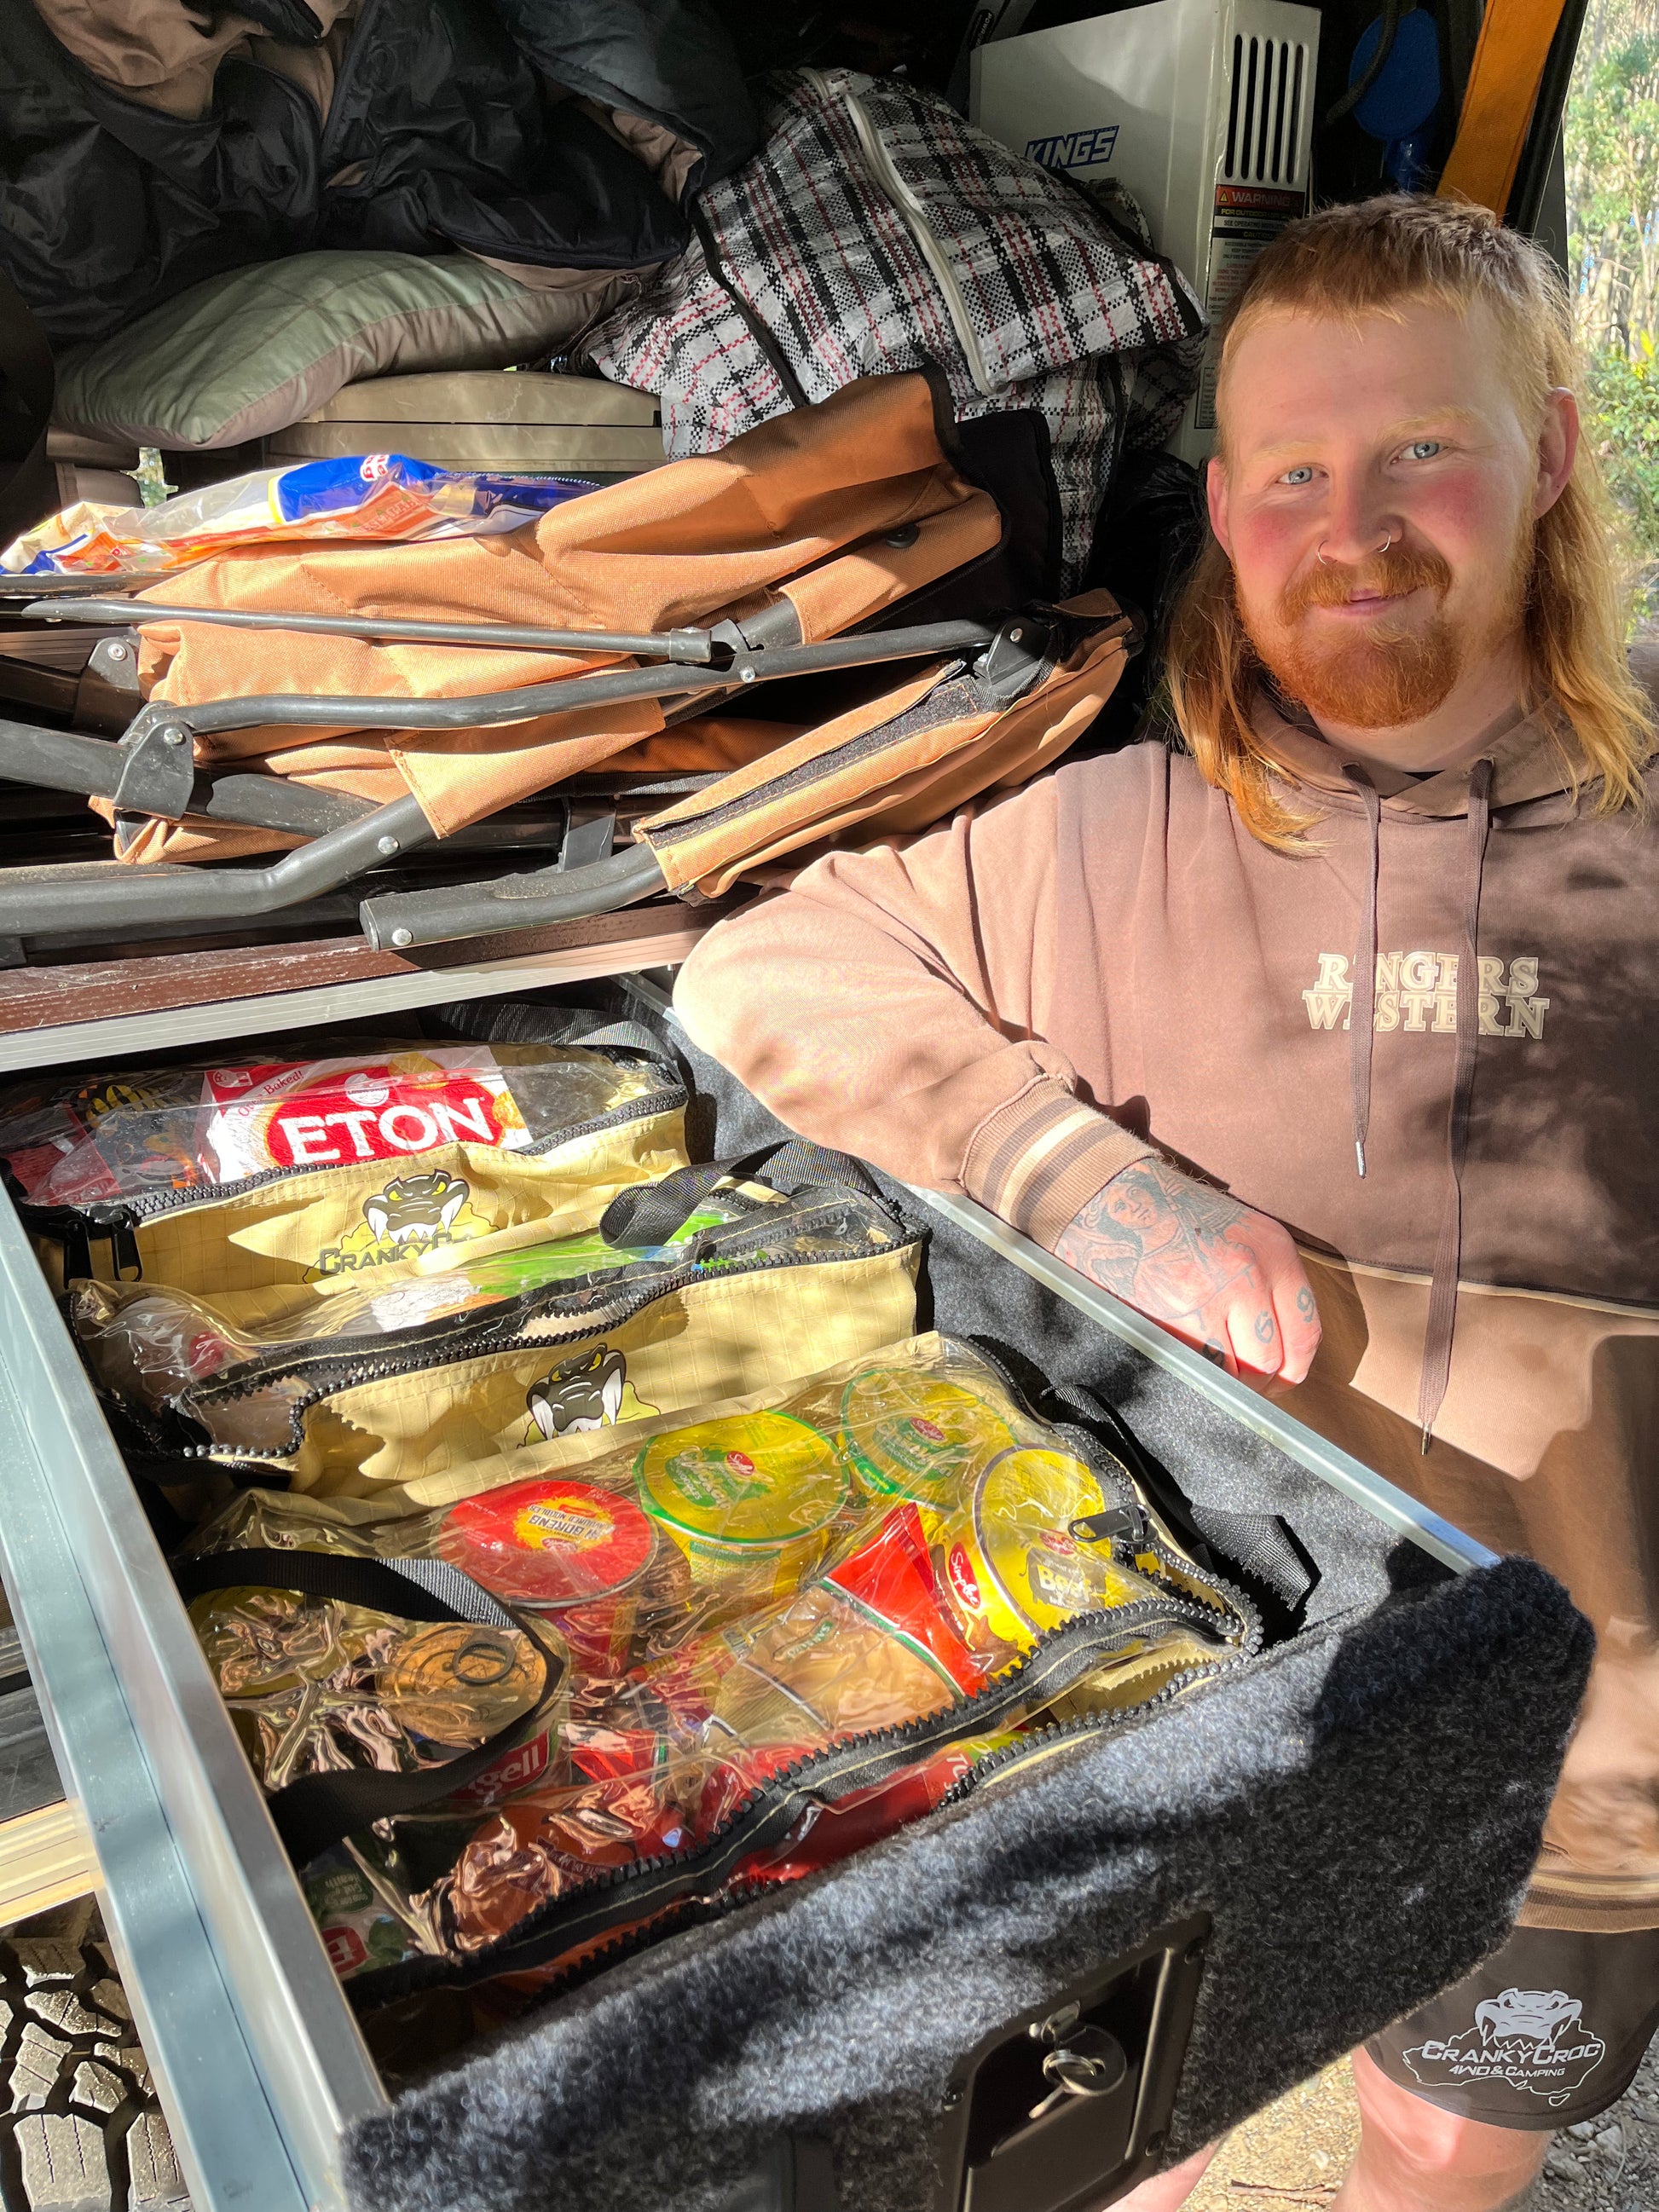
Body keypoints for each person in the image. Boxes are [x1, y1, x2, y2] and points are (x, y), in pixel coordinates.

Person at [673, 196, 1659, 2210]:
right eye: (1292, 469)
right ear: (1219, 501)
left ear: (1550, 452)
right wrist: (1084, 1178)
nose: (1352, 526)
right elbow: (760, 969)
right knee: (1122, 2154)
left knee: (1444, 2143)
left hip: (1579, 1777)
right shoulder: (1105, 832)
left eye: (1419, 452)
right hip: (1182, 1735)